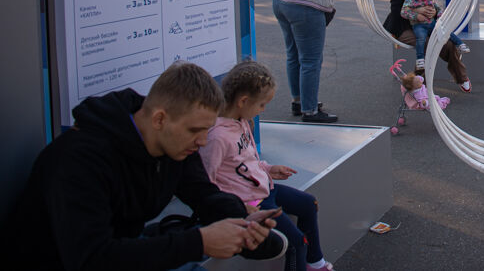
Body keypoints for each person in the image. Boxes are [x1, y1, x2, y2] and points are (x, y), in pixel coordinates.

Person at [9, 62, 285, 270]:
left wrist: (240, 221)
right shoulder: (78, 161)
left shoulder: (175, 143)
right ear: (159, 119)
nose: (203, 142)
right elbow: (91, 258)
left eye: (206, 130)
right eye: (195, 130)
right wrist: (198, 242)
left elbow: (203, 192)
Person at [201, 60, 334, 271]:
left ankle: (316, 263)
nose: (262, 110)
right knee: (297, 242)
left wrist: (267, 168)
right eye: (261, 105)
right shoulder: (217, 137)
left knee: (309, 204)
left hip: (264, 188)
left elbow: (247, 159)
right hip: (251, 202)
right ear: (243, 101)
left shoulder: (242, 121)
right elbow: (207, 181)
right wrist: (235, 207)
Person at [383, 0, 471, 93]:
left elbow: (431, 4)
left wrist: (434, 12)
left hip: (424, 24)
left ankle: (461, 78)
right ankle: (416, 85)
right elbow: (396, 9)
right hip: (403, 25)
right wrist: (416, 13)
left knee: (447, 44)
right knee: (425, 45)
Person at [400, 0, 471, 75]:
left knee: (445, 31)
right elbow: (403, 12)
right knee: (421, 39)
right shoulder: (411, 0)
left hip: (432, 24)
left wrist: (438, 17)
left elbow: (439, 10)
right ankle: (420, 59)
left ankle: (460, 44)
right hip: (419, 25)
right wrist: (416, 16)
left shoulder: (431, 1)